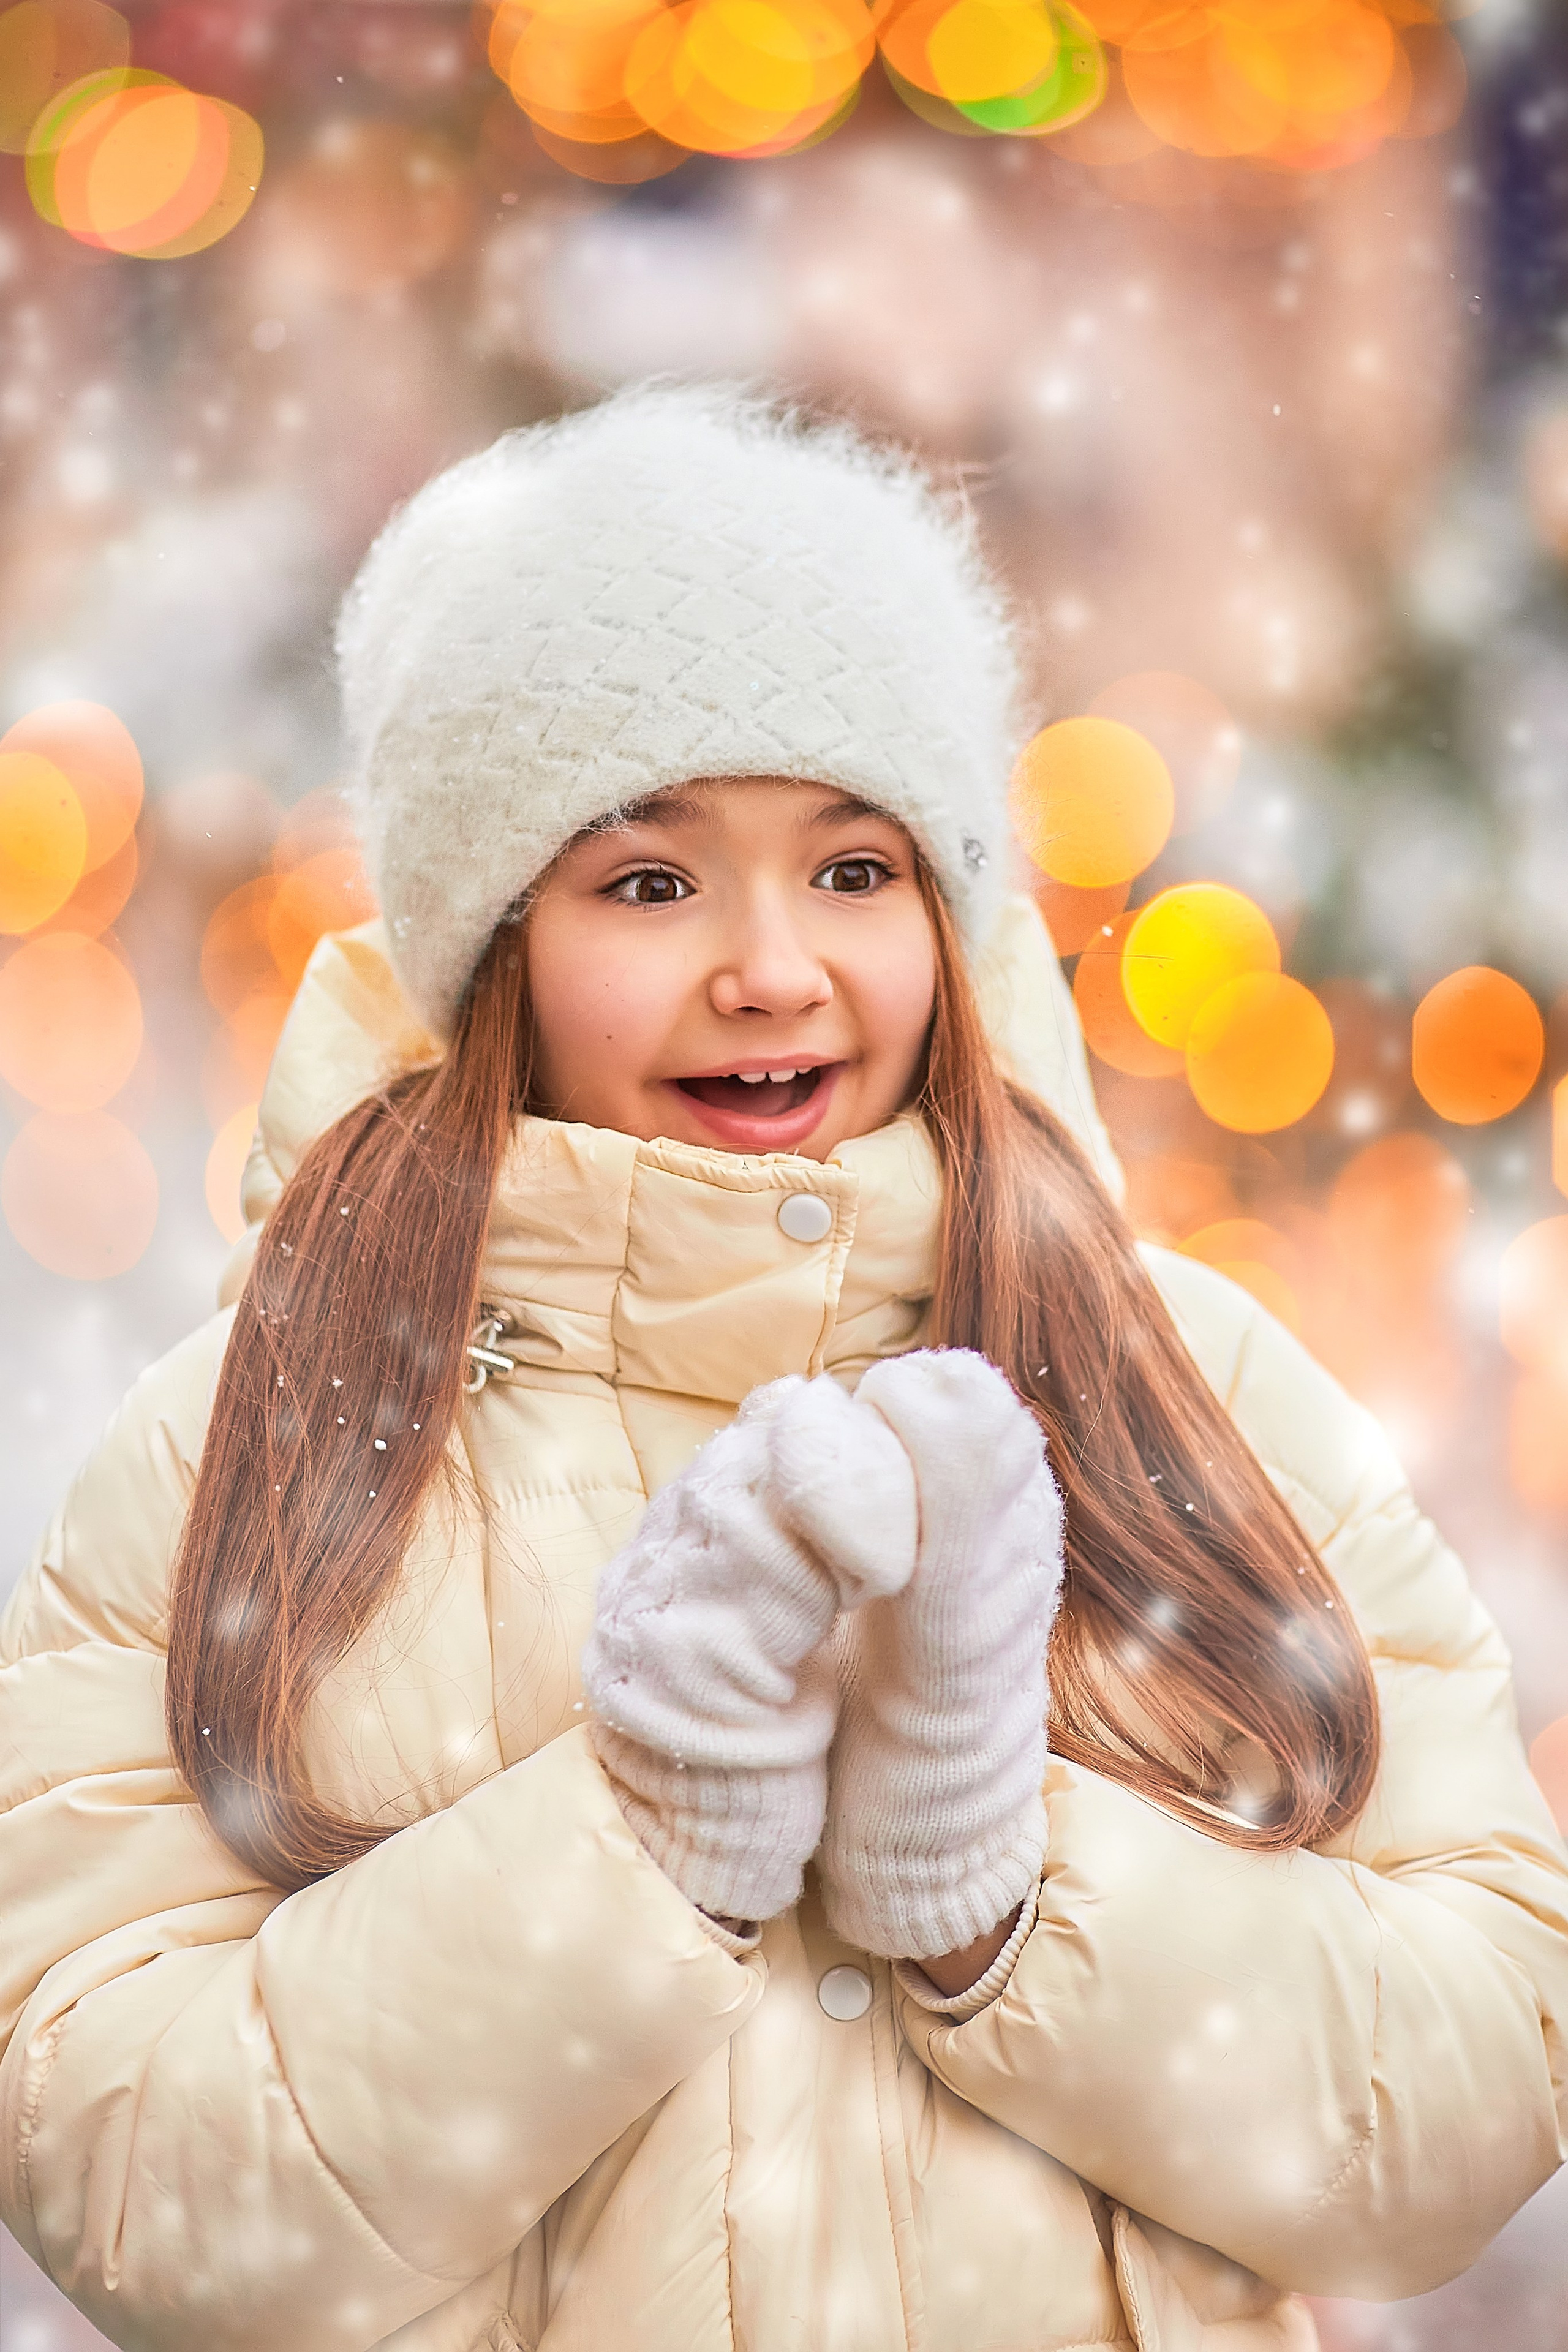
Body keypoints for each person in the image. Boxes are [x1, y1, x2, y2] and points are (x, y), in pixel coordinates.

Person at [2, 385, 1564, 2352]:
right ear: (498, 948)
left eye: (852, 871)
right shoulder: (270, 1421)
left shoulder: (1183, 1381)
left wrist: (1001, 1887)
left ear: (949, 908)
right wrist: (638, 1831)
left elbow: (1481, 2084)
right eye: (649, 883)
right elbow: (126, 2177)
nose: (770, 969)